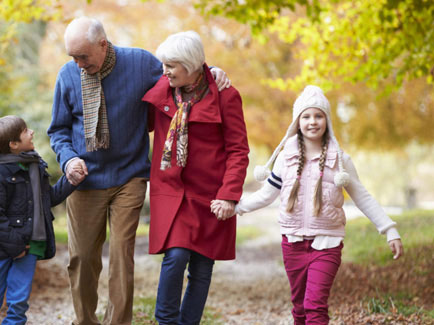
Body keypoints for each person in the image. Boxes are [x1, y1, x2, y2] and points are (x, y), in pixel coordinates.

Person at [48, 17, 231, 325]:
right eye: (73, 57)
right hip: (84, 179)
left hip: (129, 177)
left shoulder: (140, 63)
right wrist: (67, 160)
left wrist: (210, 71)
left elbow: (182, 71)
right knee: (82, 259)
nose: (78, 63)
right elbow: (58, 130)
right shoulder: (68, 75)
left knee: (121, 256)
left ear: (103, 45)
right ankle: (85, 321)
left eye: (83, 56)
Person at [231, 85, 404, 324]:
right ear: (297, 122)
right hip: (292, 243)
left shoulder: (340, 161)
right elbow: (267, 194)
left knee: (315, 305)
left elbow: (362, 197)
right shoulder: (285, 158)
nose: (313, 122)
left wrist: (389, 229)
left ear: (327, 120)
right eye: (307, 116)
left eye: (319, 115)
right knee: (300, 307)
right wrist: (236, 206)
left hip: (327, 243)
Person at [142, 31, 249, 324]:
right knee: (176, 257)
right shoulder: (163, 88)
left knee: (202, 266)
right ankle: (165, 321)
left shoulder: (226, 96)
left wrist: (229, 195)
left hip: (211, 195)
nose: (164, 70)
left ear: (190, 66)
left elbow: (238, 150)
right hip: (172, 191)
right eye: (164, 64)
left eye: (172, 65)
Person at [0, 116, 81, 325]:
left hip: (31, 244)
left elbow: (48, 198)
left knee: (18, 302)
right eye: (25, 131)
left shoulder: (36, 168)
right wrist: (16, 246)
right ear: (13, 145)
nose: (31, 132)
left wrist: (71, 180)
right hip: (0, 248)